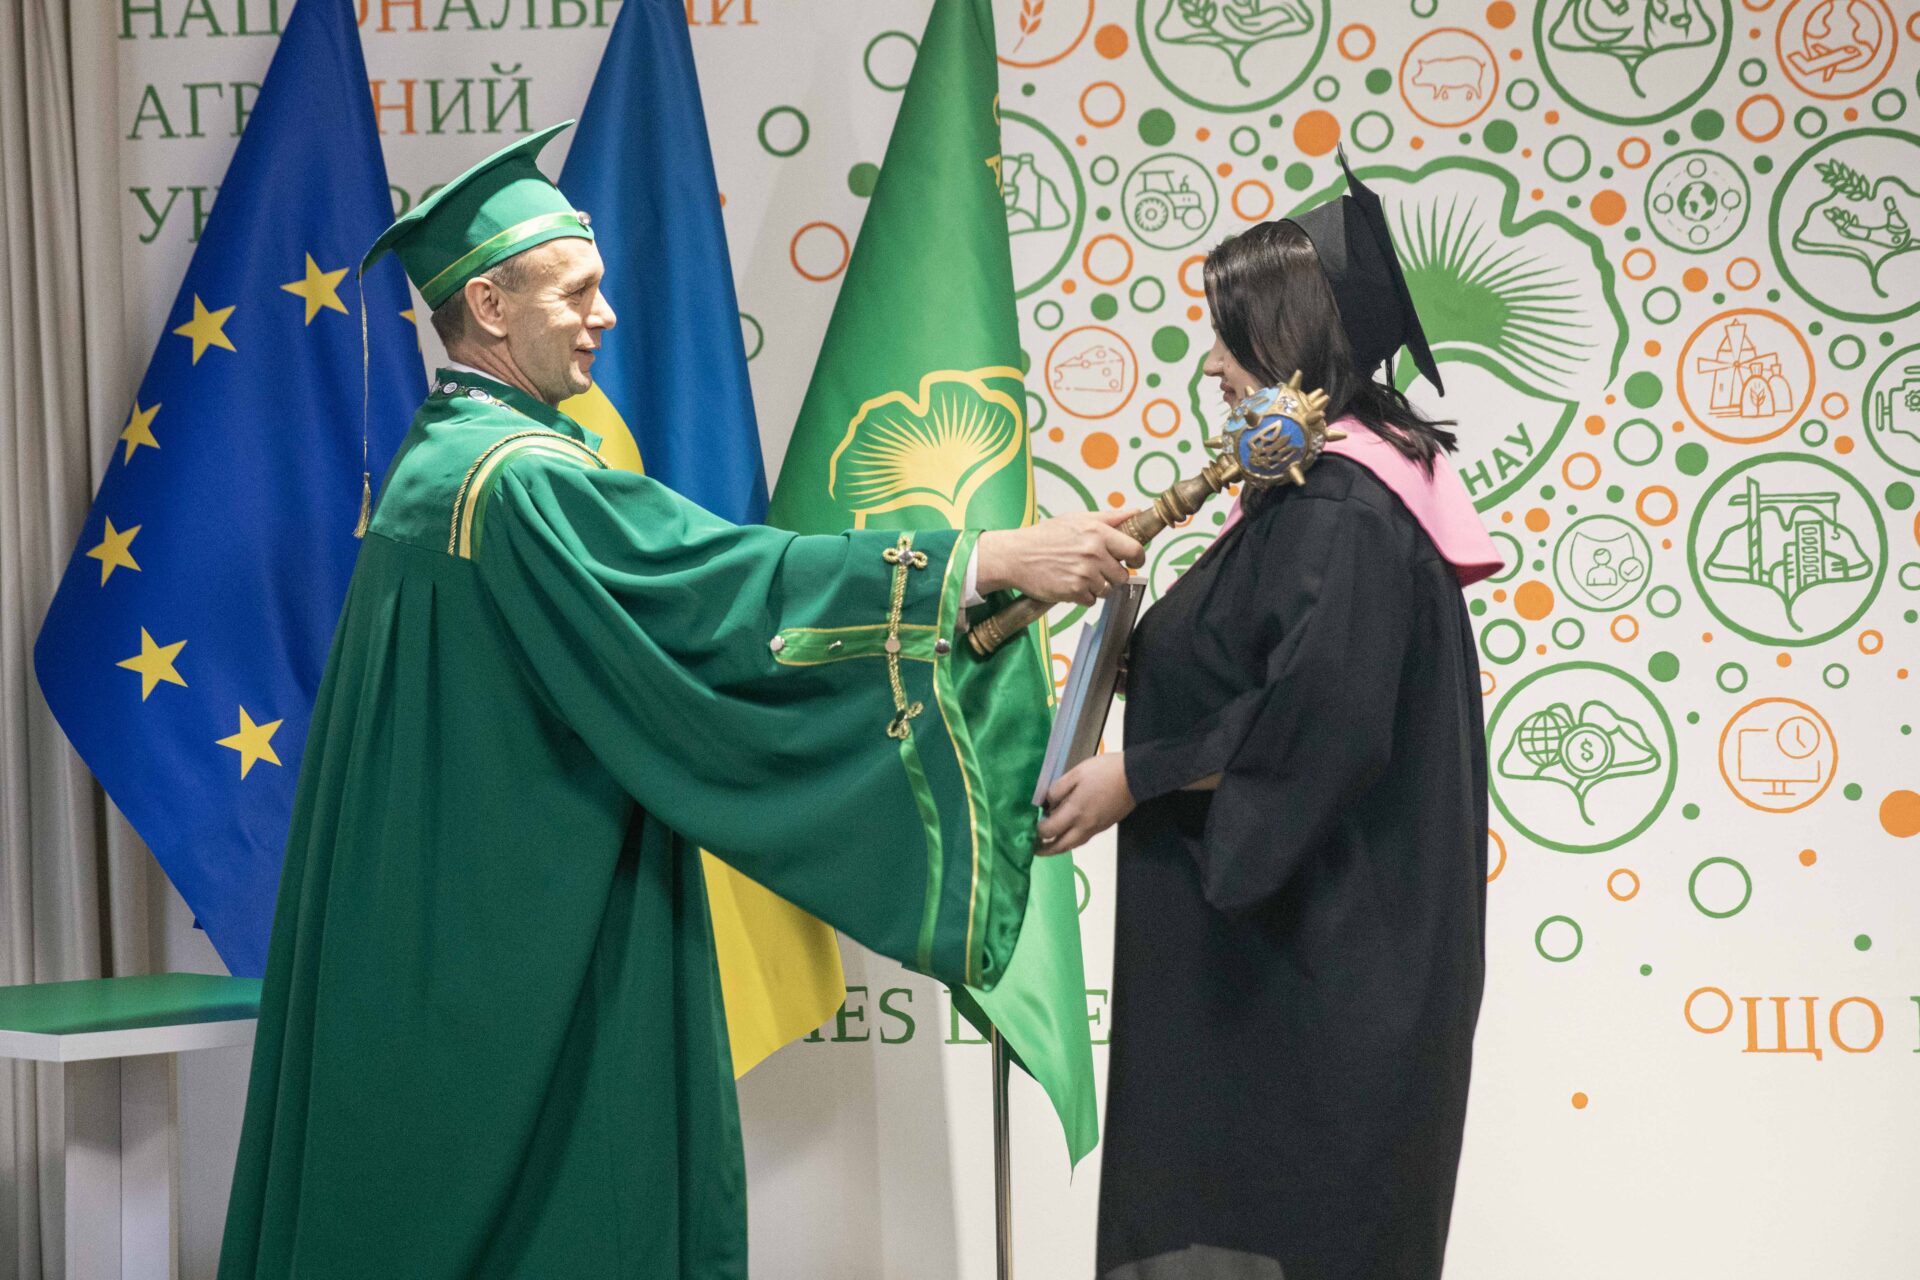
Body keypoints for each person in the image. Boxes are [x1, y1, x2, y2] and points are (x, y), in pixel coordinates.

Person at [217, 123, 1142, 1278]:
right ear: (490, 307)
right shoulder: (513, 479)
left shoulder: (447, 457)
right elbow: (716, 590)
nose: (604, 315)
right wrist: (982, 559)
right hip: (513, 925)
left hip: (449, 903)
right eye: (576, 292)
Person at [1039, 151, 1504, 1280]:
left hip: (1314, 986)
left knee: (1282, 1238)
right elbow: (1279, 684)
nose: (1213, 363)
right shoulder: (1324, 497)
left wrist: (1136, 774)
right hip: (1283, 973)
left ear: (1290, 341)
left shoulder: (1344, 510)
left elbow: (1318, 726)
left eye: (1230, 334)